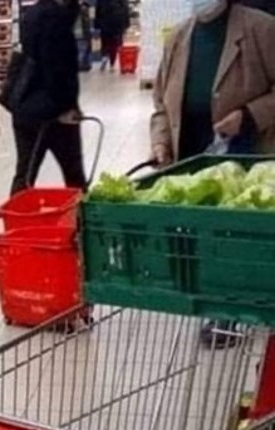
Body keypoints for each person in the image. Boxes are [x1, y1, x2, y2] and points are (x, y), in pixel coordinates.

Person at [150, 0, 275, 346]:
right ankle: (215, 303)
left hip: (245, 157)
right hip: (193, 157)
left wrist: (248, 116)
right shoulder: (179, 37)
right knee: (205, 236)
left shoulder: (261, 28)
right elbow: (161, 103)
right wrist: (161, 142)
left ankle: (228, 315)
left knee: (234, 236)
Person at [10, 0, 87, 195]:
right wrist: (65, 107)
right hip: (51, 110)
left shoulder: (33, 14)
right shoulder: (55, 19)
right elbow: (56, 69)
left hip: (26, 105)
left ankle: (15, 212)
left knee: (25, 174)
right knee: (75, 177)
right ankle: (80, 213)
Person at [95, 0, 130, 71]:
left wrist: (97, 25)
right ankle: (112, 64)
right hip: (117, 22)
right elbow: (126, 9)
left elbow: (98, 10)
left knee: (105, 41)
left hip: (104, 21)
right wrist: (126, 24)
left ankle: (104, 57)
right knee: (114, 44)